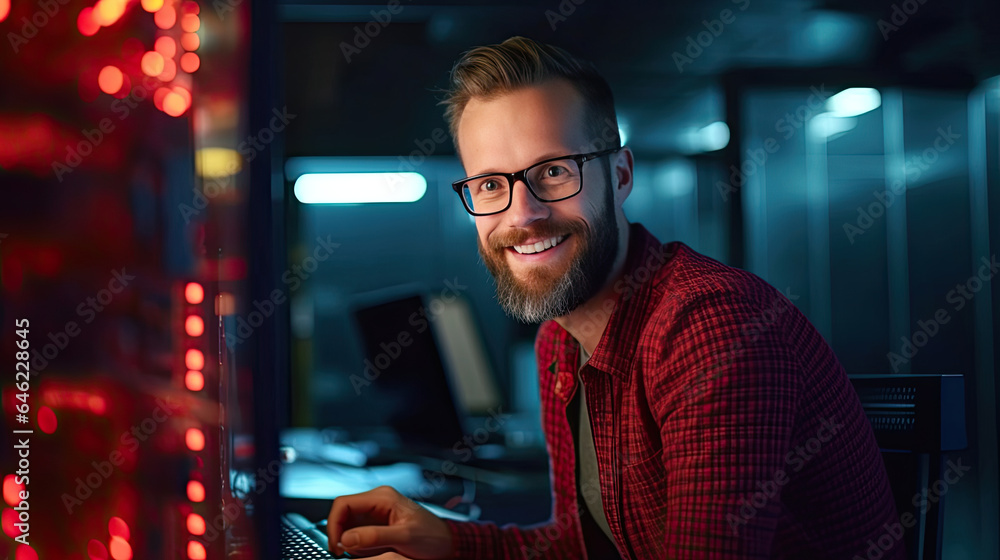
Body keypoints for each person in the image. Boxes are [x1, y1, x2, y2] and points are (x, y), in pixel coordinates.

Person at [326, 36, 904, 560]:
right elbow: (582, 548)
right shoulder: (559, 341)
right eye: (491, 185)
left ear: (621, 175)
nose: (522, 215)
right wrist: (448, 540)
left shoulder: (711, 325)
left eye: (553, 171)